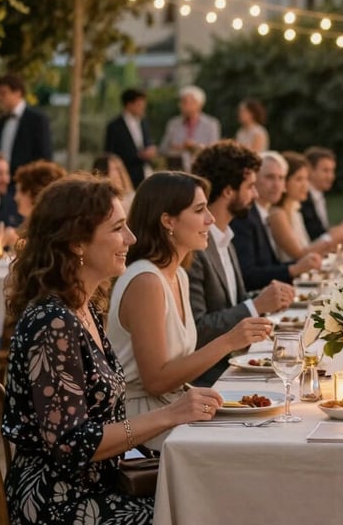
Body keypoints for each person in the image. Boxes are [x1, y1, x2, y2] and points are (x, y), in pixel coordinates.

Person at [1, 175, 221, 525]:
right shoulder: (52, 323)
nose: (132, 239)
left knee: (204, 511)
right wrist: (170, 414)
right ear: (77, 242)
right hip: (56, 510)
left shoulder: (85, 308)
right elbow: (72, 443)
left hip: (95, 488)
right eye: (118, 229)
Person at [107, 172, 274, 449]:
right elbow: (156, 381)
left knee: (262, 427)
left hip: (174, 406)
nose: (210, 218)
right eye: (199, 210)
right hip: (142, 422)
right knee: (245, 448)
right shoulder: (146, 281)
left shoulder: (179, 276)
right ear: (168, 220)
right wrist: (229, 341)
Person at [189, 141, 295, 384]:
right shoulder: (196, 249)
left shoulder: (225, 237)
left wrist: (268, 298)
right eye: (250, 187)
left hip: (236, 364)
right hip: (209, 378)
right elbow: (198, 328)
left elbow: (232, 302)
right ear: (228, 191)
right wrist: (256, 305)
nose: (255, 195)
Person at [232, 151, 322, 291]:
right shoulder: (246, 218)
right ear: (254, 180)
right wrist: (293, 269)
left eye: (281, 178)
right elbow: (248, 275)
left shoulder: (262, 214)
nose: (277, 185)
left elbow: (272, 265)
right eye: (270, 177)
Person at [269, 151, 343, 262]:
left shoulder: (295, 210)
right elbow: (300, 255)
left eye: (307, 179)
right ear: (284, 182)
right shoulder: (277, 214)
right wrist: (330, 238)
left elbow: (307, 247)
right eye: (299, 179)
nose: (305, 185)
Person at [0, 74, 53, 178]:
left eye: (3, 93)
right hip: (1, 182)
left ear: (18, 93)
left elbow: (44, 157)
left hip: (26, 183)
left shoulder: (37, 120)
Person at [301, 146, 343, 242]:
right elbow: (315, 236)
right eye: (325, 171)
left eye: (332, 171)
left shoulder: (318, 196)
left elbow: (323, 230)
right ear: (310, 170)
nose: (331, 176)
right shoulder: (303, 199)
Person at [104, 87, 157, 189]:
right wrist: (138, 156)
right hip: (126, 175)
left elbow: (147, 142)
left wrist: (150, 150)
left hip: (144, 173)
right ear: (129, 104)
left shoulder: (143, 122)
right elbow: (110, 153)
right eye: (139, 105)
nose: (142, 108)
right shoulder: (115, 126)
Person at [159, 85, 221, 171]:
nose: (182, 106)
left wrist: (195, 147)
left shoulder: (211, 124)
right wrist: (180, 147)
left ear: (199, 104)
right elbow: (162, 149)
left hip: (203, 171)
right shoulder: (173, 124)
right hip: (178, 172)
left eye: (186, 102)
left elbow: (215, 152)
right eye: (181, 102)